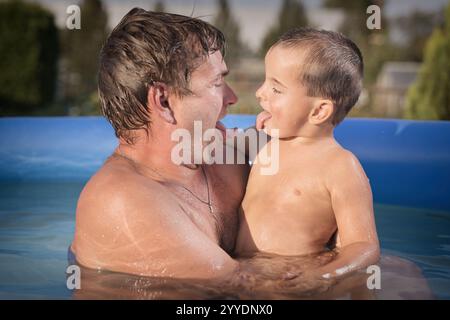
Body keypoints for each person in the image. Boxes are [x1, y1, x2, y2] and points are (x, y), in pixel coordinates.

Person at [235, 28, 380, 280]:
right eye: (265, 81)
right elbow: (221, 151)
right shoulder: (266, 140)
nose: (260, 93)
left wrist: (321, 277)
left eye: (276, 89)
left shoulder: (340, 167)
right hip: (240, 273)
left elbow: (363, 247)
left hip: (291, 279)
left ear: (319, 111)